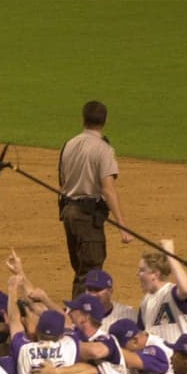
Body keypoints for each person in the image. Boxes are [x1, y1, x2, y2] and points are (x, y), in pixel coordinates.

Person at [58, 99, 131, 297]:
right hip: (87, 217)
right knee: (90, 273)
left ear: (83, 119)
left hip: (69, 213)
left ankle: (75, 310)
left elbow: (62, 182)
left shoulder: (69, 145)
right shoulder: (103, 149)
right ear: (105, 120)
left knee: (80, 269)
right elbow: (108, 190)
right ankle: (81, 314)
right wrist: (122, 225)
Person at [135, 241, 187, 344]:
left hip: (179, 353)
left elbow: (185, 290)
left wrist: (170, 253)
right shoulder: (145, 301)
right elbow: (141, 335)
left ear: (155, 274)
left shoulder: (171, 293)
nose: (138, 274)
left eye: (142, 270)